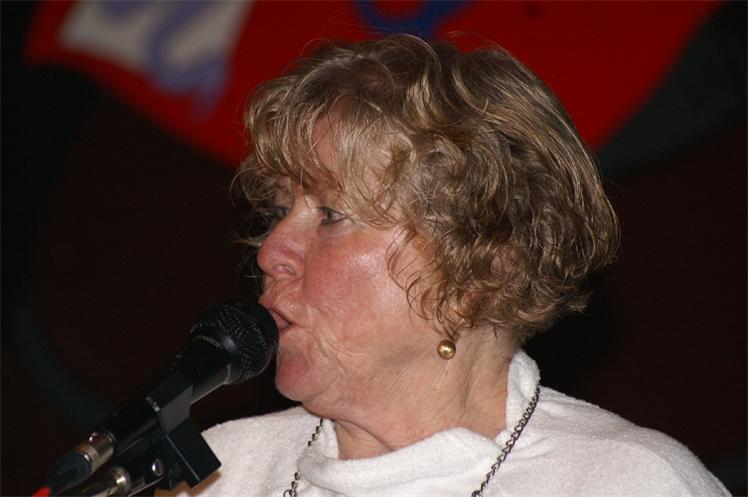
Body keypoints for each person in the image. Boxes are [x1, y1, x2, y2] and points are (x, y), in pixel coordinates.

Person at [166, 35, 729, 497]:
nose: (270, 253)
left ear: (480, 270)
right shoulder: (224, 474)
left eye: (331, 214)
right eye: (279, 211)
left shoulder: (629, 483)